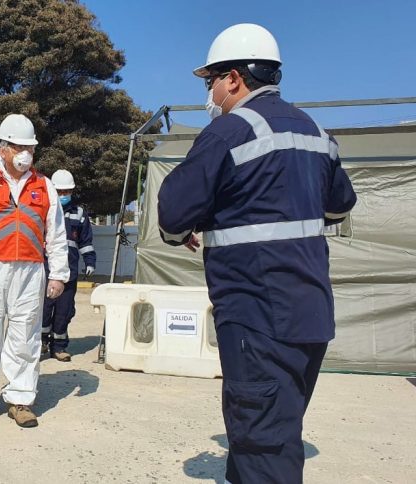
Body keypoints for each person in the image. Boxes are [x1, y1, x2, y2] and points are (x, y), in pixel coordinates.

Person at [156, 24, 357, 483]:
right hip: (309, 313)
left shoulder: (230, 131)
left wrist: (185, 228)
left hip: (257, 315)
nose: (209, 92)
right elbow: (339, 204)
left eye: (210, 80)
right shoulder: (315, 132)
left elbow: (172, 211)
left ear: (234, 78)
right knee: (275, 430)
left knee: (262, 442)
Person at [0, 114, 69, 428]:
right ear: (2, 148)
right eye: (19, 146)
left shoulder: (44, 186)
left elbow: (56, 233)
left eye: (30, 147)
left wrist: (58, 273)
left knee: (25, 336)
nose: (25, 153)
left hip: (31, 270)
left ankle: (20, 399)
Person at [41, 169, 96, 362]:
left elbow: (86, 241)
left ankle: (59, 347)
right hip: (45, 270)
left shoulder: (79, 213)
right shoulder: (43, 210)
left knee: (64, 311)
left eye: (67, 192)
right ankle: (41, 343)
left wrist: (90, 262)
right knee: (43, 309)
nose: (63, 196)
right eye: (59, 192)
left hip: (69, 272)